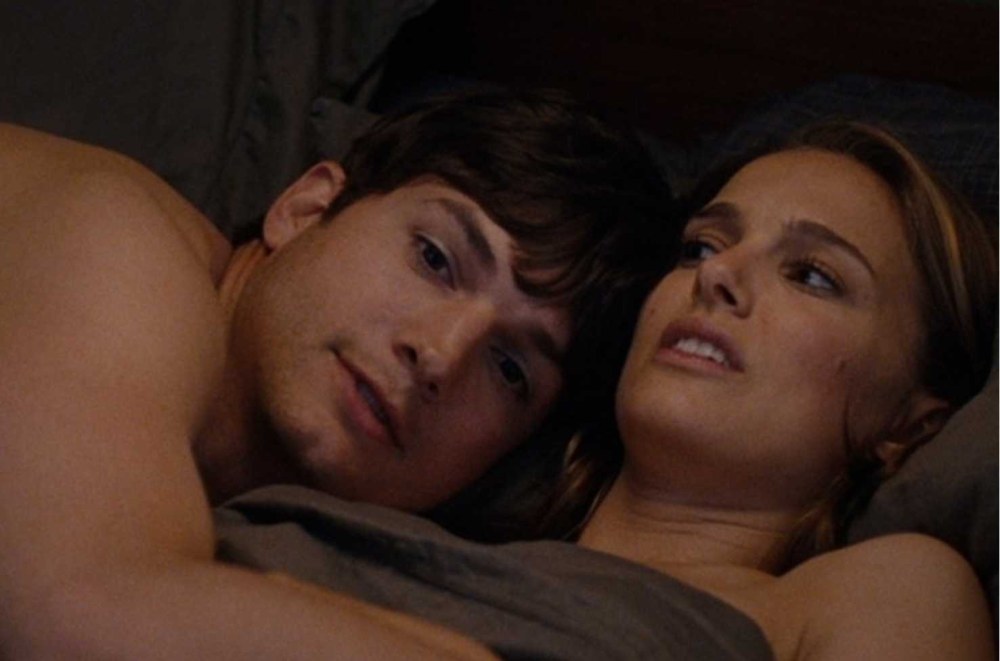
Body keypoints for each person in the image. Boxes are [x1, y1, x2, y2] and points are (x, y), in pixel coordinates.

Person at [214, 120, 996, 659]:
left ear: (910, 424)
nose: (719, 275)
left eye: (813, 275)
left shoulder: (873, 592)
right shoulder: (412, 482)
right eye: (699, 246)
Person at [0, 89, 674, 658]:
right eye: (434, 258)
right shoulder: (120, 248)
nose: (440, 356)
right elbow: (80, 611)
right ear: (305, 207)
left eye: (508, 368)